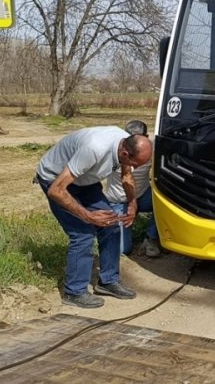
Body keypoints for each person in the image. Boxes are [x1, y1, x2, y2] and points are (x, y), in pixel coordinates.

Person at [35, 126, 152, 308]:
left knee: (111, 224)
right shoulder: (94, 148)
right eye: (136, 163)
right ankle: (74, 292)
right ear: (124, 153)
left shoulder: (125, 142)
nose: (136, 168)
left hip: (84, 179)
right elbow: (56, 190)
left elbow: (127, 175)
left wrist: (132, 203)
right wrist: (89, 216)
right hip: (55, 179)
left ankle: (108, 282)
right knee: (83, 233)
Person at [103, 120, 160, 258]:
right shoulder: (115, 151)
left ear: (146, 137)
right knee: (123, 250)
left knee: (165, 204)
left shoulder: (150, 150)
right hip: (119, 201)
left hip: (142, 196)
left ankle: (151, 238)